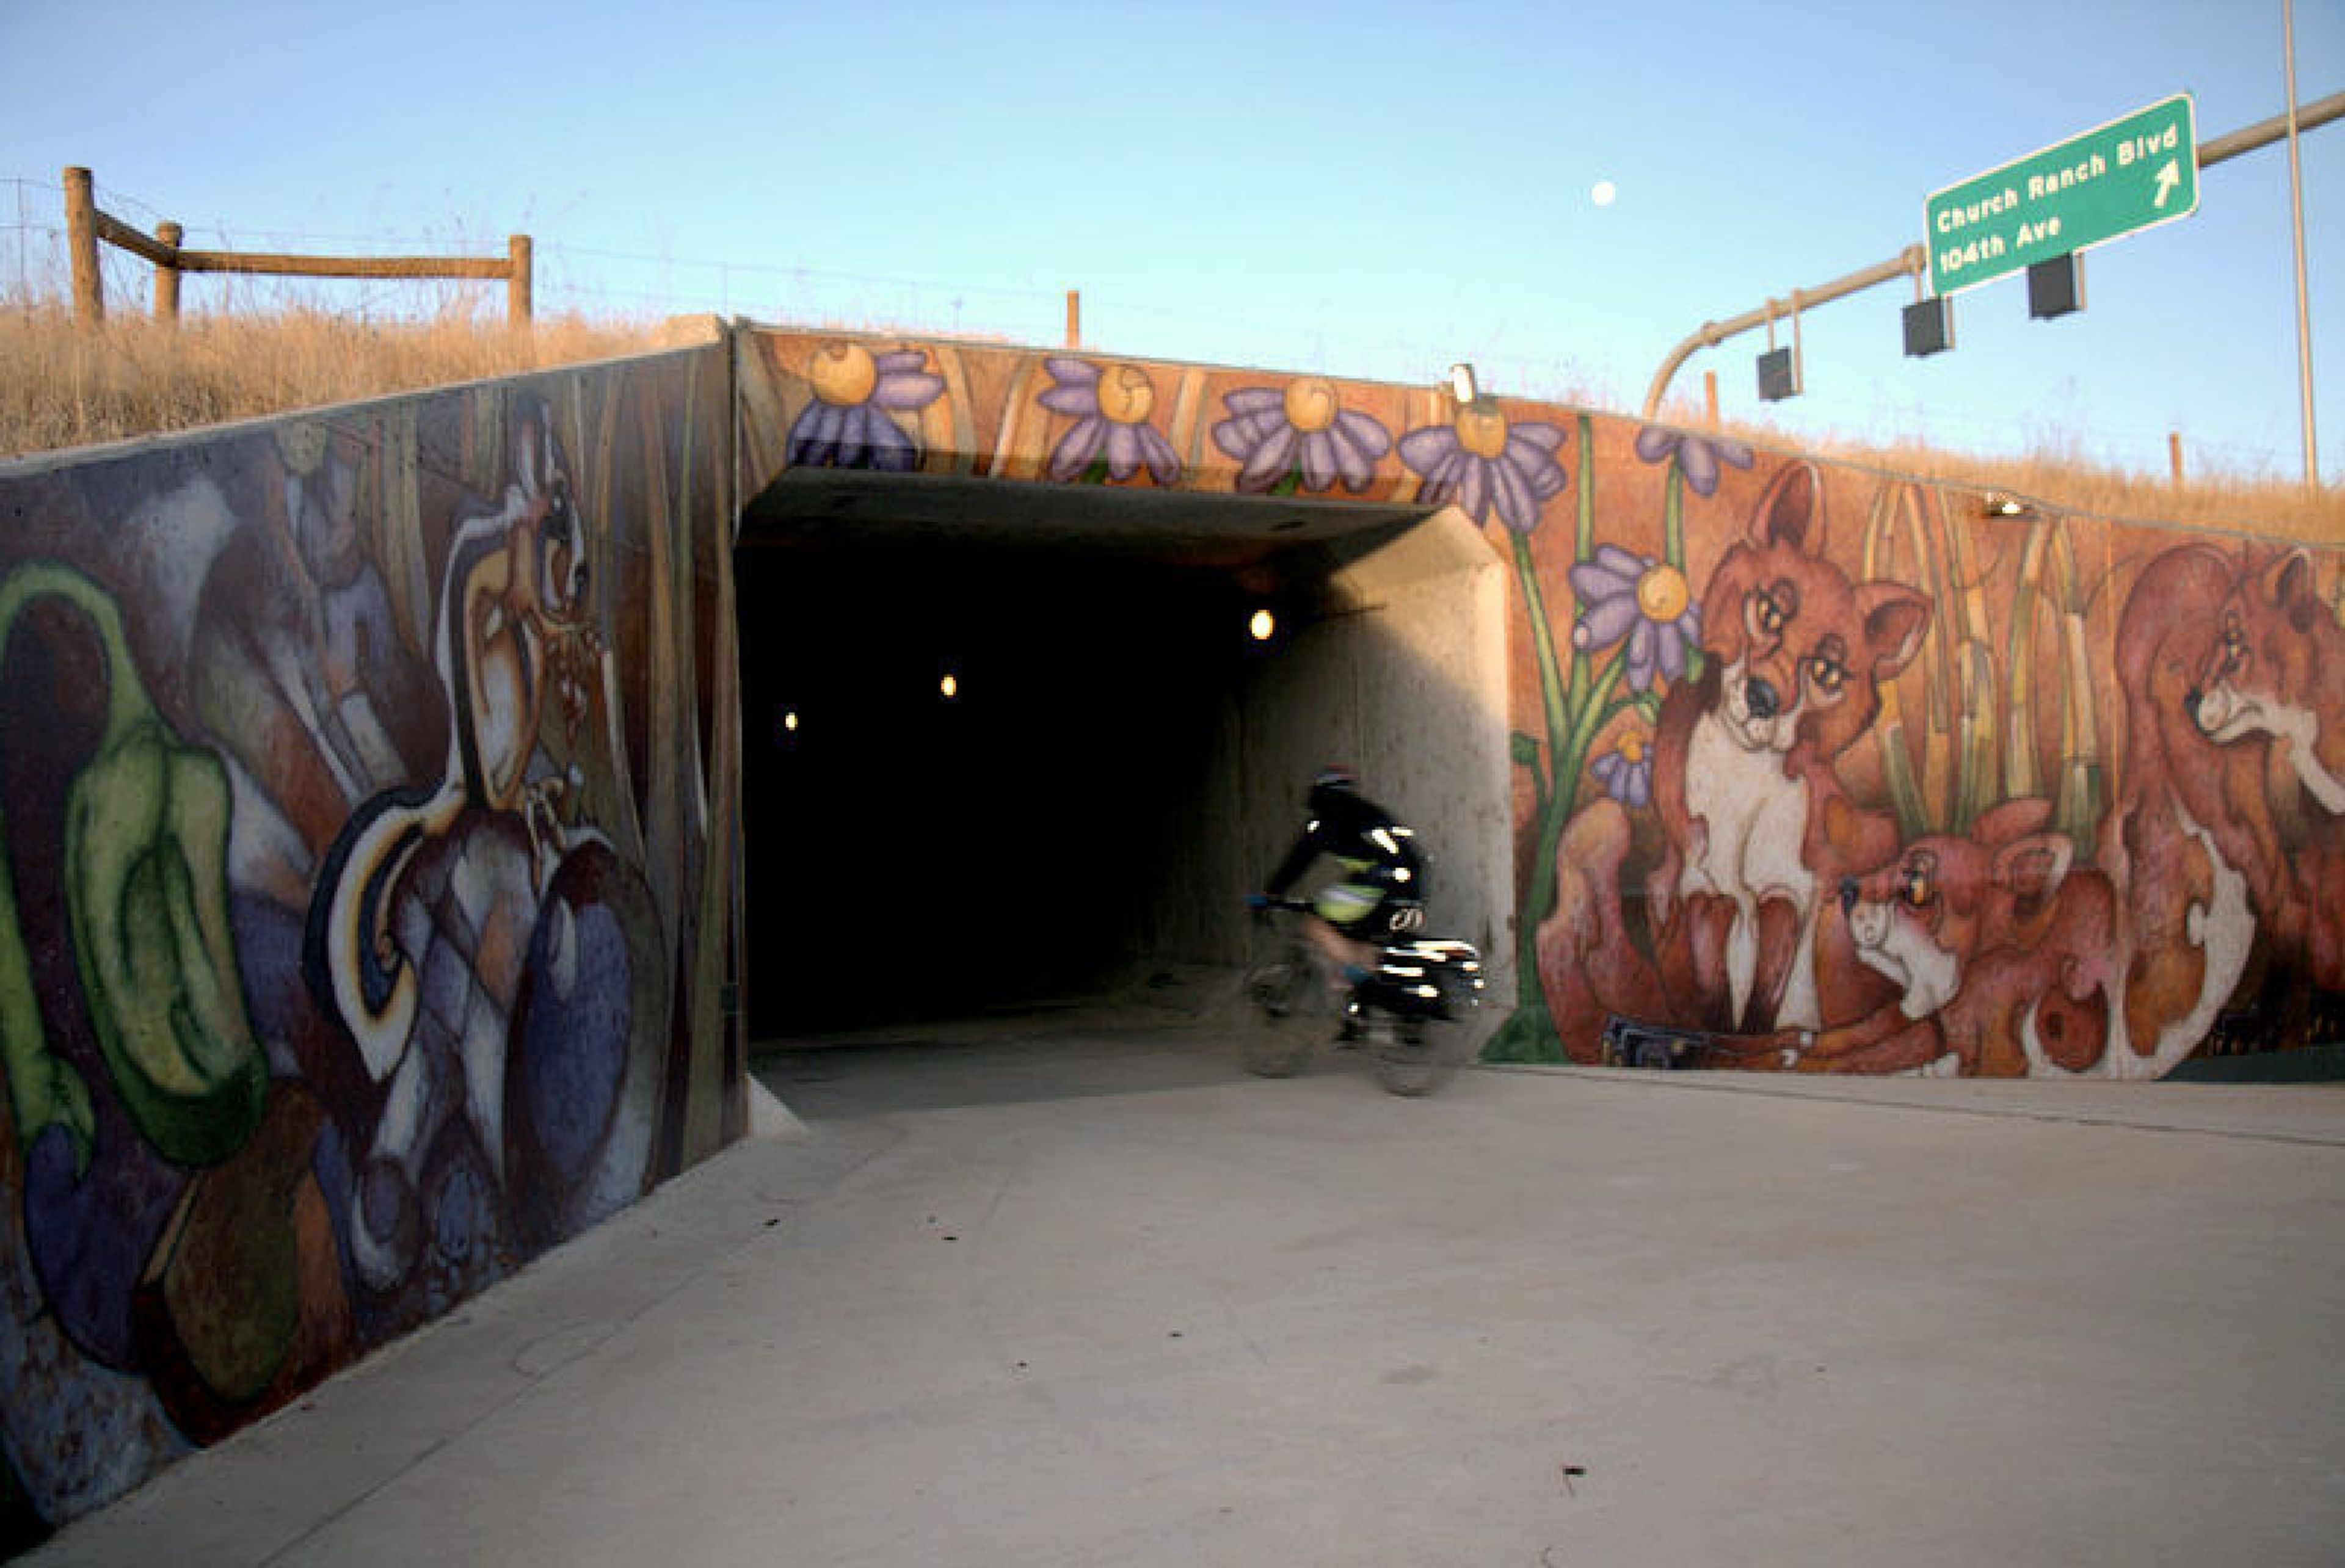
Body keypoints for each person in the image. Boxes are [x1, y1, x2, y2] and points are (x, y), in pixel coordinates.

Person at [1251, 767, 1426, 999]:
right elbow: (1408, 855)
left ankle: (1356, 981)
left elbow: (1298, 861)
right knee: (1362, 939)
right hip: (1409, 887)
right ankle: (1366, 1006)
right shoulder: (1370, 812)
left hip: (1377, 885)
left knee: (1314, 922)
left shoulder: (1326, 821)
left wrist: (1270, 894)